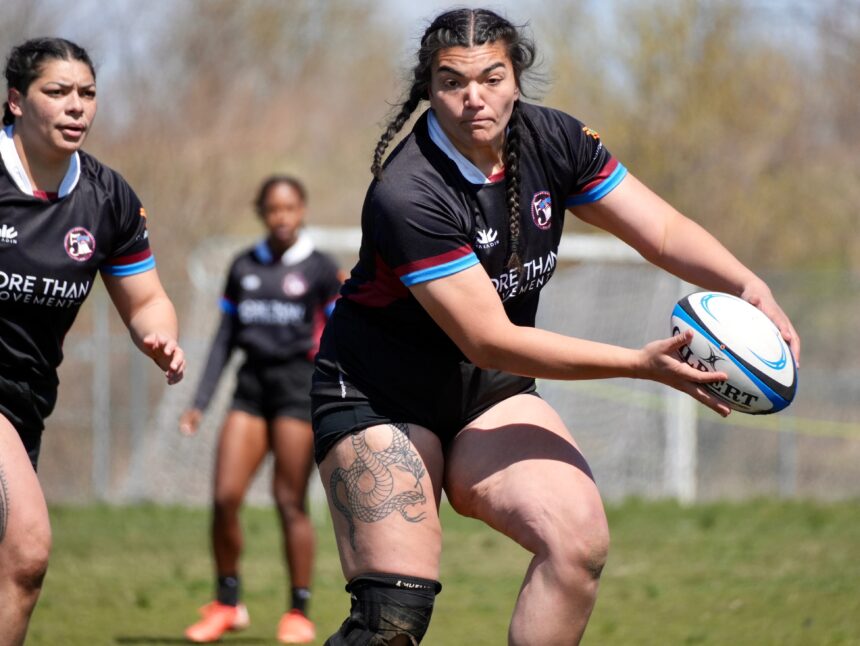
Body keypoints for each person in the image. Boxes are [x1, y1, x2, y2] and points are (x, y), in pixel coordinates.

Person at [309, 8, 801, 646]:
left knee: (577, 542)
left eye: (491, 77)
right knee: (391, 620)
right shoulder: (409, 193)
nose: (474, 99)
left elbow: (663, 231)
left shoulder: (555, 140)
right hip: (379, 396)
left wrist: (746, 284)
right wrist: (638, 364)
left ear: (517, 77)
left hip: (488, 392)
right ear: (427, 88)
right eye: (452, 82)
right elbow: (488, 337)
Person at [0, 38, 185, 645]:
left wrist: (159, 337)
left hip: (26, 399)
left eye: (87, 94)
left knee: (11, 570)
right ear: (15, 102)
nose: (76, 106)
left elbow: (147, 300)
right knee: (26, 550)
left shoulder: (107, 198)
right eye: (57, 92)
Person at [179, 175, 343, 644]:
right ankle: (228, 603)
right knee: (225, 497)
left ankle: (299, 611)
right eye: (273, 209)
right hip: (249, 390)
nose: (282, 217)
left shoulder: (319, 269)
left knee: (289, 500)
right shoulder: (244, 266)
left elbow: (340, 336)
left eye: (290, 208)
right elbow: (224, 339)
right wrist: (200, 402)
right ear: (262, 213)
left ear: (303, 210)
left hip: (298, 390)